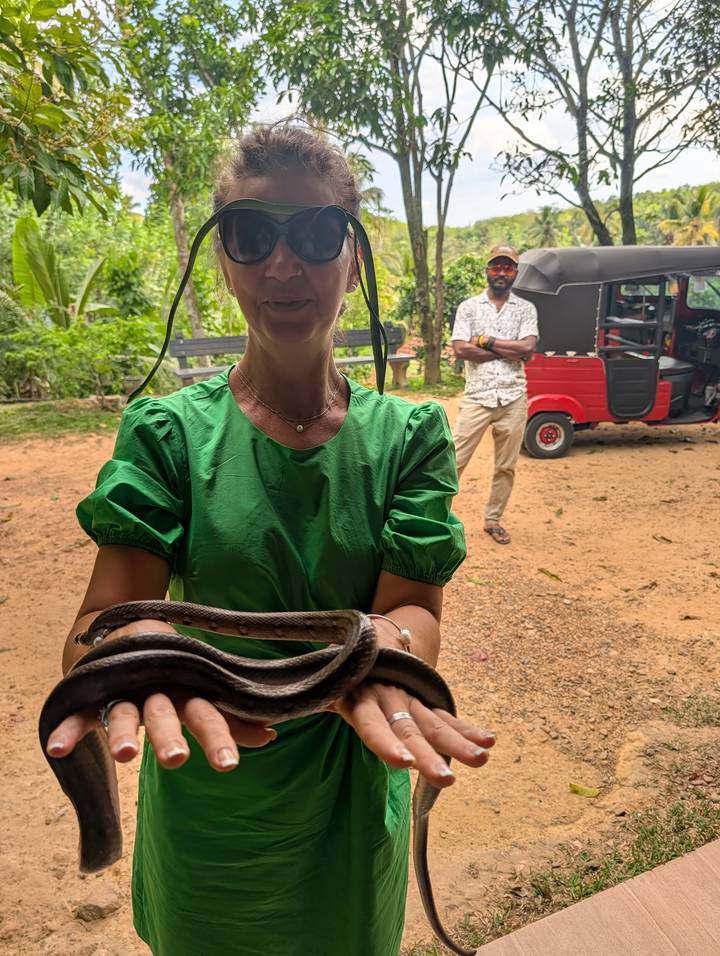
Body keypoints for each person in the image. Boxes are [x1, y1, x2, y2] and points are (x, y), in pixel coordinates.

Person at [45, 125, 495, 956]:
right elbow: (98, 626)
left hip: (353, 801)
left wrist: (387, 650)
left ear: (353, 257)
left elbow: (411, 613)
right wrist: (133, 648)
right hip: (208, 803)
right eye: (253, 236)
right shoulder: (168, 436)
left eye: (316, 235)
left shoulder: (410, 437)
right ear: (224, 261)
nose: (284, 266)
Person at [451, 244, 538, 546]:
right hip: (478, 396)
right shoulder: (469, 307)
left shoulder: (526, 309)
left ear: (515, 272)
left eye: (508, 267)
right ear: (487, 270)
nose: (501, 272)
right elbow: (461, 349)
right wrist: (508, 350)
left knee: (506, 466)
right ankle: (435, 515)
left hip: (513, 397)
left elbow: (528, 348)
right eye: (496, 266)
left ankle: (493, 520)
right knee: (453, 460)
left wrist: (486, 341)